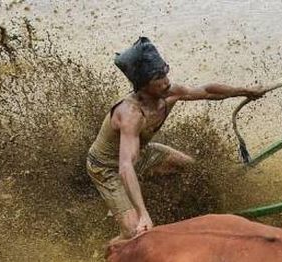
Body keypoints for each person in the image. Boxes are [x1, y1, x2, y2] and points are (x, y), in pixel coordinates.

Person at [87, 37, 261, 240]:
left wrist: (246, 91)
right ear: (143, 85)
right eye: (158, 78)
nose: (166, 81)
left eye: (164, 73)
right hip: (107, 169)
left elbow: (206, 91)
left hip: (142, 153)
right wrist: (143, 214)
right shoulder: (130, 114)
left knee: (194, 170)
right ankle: (113, 254)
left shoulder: (169, 93)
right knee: (134, 233)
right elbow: (125, 166)